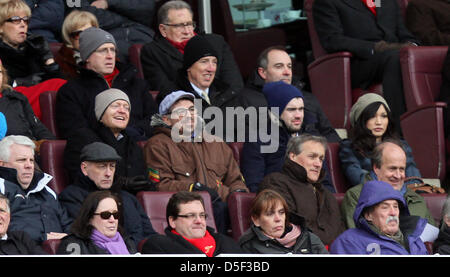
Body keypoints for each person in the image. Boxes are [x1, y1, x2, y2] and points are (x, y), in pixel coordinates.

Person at [143, 90, 248, 233]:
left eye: (192, 110)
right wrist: (194, 188)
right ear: (166, 119)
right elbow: (160, 185)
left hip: (222, 208)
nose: (190, 115)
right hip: (186, 213)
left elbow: (235, 179)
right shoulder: (157, 144)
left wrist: (236, 194)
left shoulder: (216, 142)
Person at [313, 0, 420, 130]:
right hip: (359, 61)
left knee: (419, 57)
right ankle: (399, 130)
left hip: (393, 54)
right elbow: (332, 40)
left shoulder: (387, 2)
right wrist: (375, 48)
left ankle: (428, 121)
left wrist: (413, 46)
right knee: (395, 59)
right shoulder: (328, 2)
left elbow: (404, 35)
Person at [56, 27, 157, 140]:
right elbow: (75, 130)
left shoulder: (136, 84)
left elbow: (154, 119)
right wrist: (112, 136)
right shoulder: (72, 91)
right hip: (99, 152)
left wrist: (130, 134)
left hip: (137, 146)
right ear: (87, 57)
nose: (110, 56)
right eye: (103, 50)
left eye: (112, 50)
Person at [241, 81, 335, 193]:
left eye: (301, 109)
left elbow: (326, 185)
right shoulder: (258, 141)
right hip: (280, 203)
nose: (298, 115)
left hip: (313, 202)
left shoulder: (312, 139)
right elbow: (255, 187)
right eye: (291, 110)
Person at [140, 0, 243, 99]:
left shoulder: (216, 42)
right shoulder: (152, 52)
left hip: (226, 105)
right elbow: (165, 91)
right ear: (163, 29)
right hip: (187, 110)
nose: (187, 31)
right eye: (179, 26)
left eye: (189, 24)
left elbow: (234, 84)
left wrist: (217, 106)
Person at [59, 142, 157, 245]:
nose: (108, 173)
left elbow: (149, 235)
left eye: (112, 166)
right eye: (102, 166)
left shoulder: (128, 198)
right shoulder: (71, 197)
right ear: (84, 168)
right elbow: (86, 235)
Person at [240, 45, 341, 143]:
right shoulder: (245, 100)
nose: (287, 72)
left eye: (289, 67)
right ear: (263, 72)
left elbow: (330, 135)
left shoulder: (308, 98)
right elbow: (247, 142)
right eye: (279, 67)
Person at [259, 134, 344, 246]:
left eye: (321, 158)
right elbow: (290, 225)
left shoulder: (325, 193)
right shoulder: (276, 182)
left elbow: (339, 228)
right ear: (293, 156)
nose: (318, 164)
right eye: (312, 157)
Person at [341, 140, 436, 229]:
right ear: (376, 168)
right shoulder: (356, 197)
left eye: (402, 169)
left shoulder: (416, 199)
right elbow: (355, 239)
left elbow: (433, 238)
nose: (398, 176)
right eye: (392, 169)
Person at [63, 89, 148, 188]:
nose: (122, 111)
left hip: (130, 200)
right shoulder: (82, 138)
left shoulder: (133, 144)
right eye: (115, 106)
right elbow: (79, 176)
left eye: (127, 108)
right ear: (101, 113)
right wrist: (123, 183)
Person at [0, 0, 66, 119]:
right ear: (1, 27)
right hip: (10, 99)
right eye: (16, 20)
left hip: (38, 98)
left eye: (26, 20)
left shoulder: (34, 47)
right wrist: (21, 82)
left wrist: (48, 58)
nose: (23, 24)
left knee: (63, 87)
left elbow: (58, 79)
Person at [339, 93, 421, 188]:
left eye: (383, 116)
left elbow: (414, 179)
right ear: (361, 119)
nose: (379, 122)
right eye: (372, 116)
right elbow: (359, 179)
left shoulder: (401, 146)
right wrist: (394, 186)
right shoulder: (349, 147)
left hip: (403, 197)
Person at [0, 135, 71, 243]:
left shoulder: (47, 191)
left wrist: (69, 237)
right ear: (2, 164)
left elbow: (68, 224)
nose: (29, 165)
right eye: (21, 160)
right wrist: (44, 238)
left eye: (32, 160)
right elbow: (3, 230)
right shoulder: (2, 189)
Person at [330, 180, 429, 255]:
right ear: (368, 215)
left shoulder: (414, 238)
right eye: (385, 207)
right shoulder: (350, 242)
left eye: (395, 206)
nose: (393, 212)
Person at [141, 191, 243, 256]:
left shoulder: (227, 242)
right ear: (172, 221)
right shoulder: (158, 246)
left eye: (202, 215)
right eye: (190, 216)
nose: (199, 221)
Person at [239, 189, 328, 254]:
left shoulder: (308, 237)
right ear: (256, 220)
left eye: (281, 212)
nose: (278, 219)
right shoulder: (248, 245)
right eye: (270, 214)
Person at [69, 0, 155, 62]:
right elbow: (86, 15)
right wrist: (127, 17)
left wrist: (108, 2)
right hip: (105, 36)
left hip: (141, 34)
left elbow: (147, 7)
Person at [57, 190, 137, 255]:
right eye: (105, 215)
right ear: (89, 218)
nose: (112, 220)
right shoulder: (73, 244)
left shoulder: (128, 242)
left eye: (115, 214)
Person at [0, 58, 56, 143]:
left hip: (29, 149)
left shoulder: (16, 97)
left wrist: (49, 144)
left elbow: (37, 127)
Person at [54, 10, 99, 80]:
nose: (85, 37)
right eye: (79, 34)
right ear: (69, 37)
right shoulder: (62, 63)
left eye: (90, 32)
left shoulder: (109, 54)